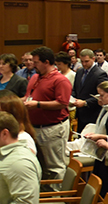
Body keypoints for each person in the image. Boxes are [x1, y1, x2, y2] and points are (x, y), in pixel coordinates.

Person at [24, 46, 72, 182]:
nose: (33, 65)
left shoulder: (60, 80)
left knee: (54, 166)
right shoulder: (35, 77)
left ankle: (57, 197)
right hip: (34, 127)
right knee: (39, 164)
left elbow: (63, 103)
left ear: (46, 62)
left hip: (52, 129)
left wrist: (38, 104)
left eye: (36, 62)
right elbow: (28, 97)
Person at [70, 49, 108, 129]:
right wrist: (72, 99)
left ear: (93, 59)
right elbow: (75, 89)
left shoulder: (100, 74)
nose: (84, 64)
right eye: (82, 61)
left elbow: (102, 95)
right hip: (80, 113)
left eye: (86, 61)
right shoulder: (80, 71)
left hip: (92, 113)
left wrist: (85, 102)